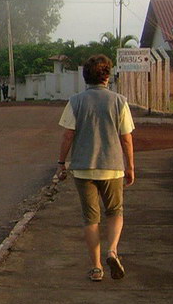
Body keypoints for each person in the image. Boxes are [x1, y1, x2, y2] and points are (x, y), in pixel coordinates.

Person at [56, 54, 135, 282]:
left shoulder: (76, 101)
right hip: (112, 167)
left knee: (90, 218)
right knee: (115, 211)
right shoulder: (120, 101)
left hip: (83, 168)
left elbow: (68, 135)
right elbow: (126, 138)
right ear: (107, 76)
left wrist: (61, 163)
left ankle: (97, 267)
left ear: (85, 77)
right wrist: (130, 166)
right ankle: (112, 250)